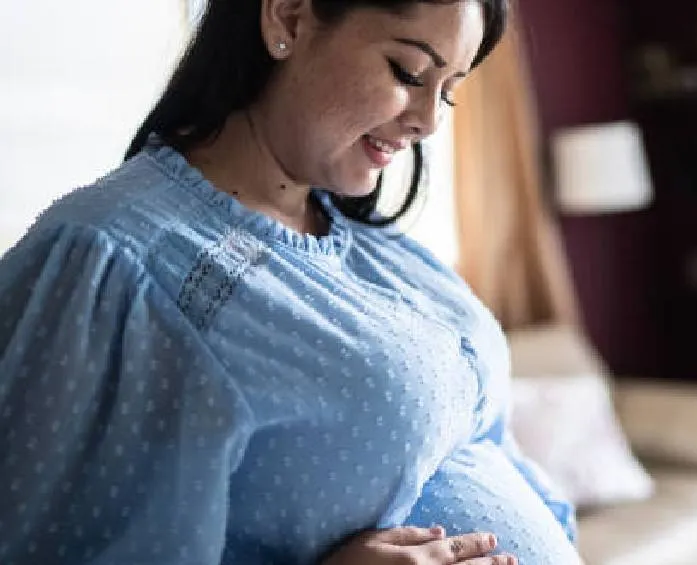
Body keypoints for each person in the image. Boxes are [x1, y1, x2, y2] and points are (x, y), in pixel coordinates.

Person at [0, 0, 582, 563]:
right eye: (408, 72)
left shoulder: (374, 242)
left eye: (450, 89)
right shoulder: (112, 261)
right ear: (289, 16)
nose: (429, 121)